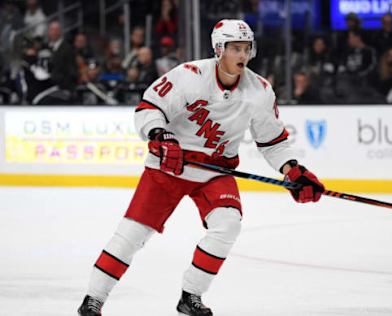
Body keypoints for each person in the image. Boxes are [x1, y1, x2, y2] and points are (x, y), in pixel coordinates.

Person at [77, 19, 324, 316]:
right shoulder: (189, 76)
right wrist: (159, 135)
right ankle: (93, 299)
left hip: (216, 172)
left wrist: (292, 169)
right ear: (219, 48)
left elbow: (272, 141)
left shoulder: (259, 91)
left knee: (228, 225)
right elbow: (150, 108)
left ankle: (190, 296)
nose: (242, 55)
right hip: (168, 167)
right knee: (132, 235)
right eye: (236, 48)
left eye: (247, 48)